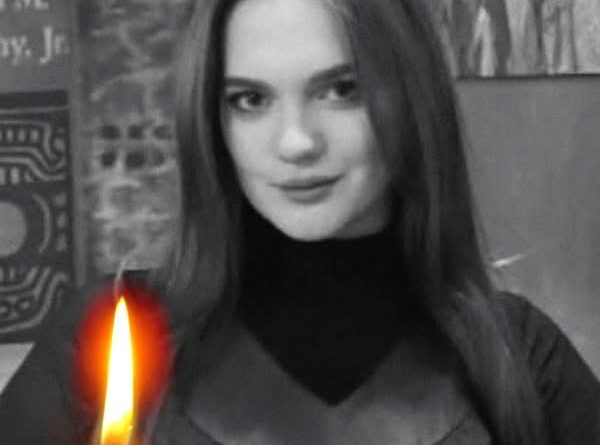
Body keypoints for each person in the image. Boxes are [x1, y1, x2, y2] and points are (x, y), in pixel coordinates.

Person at [1, 0, 599, 443]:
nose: (296, 142)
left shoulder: (519, 358)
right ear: (210, 121)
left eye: (341, 90)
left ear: (410, 97)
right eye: (250, 100)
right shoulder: (109, 337)